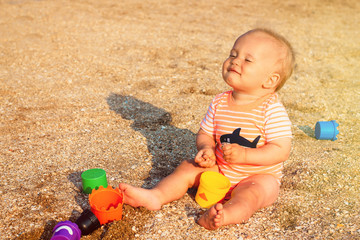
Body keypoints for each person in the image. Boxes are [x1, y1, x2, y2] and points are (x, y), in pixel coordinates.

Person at [119, 28, 295, 230]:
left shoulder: (271, 110)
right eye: (233, 54)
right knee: (186, 168)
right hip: (219, 168)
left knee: (253, 195)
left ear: (270, 80)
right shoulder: (220, 102)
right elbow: (206, 134)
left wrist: (245, 155)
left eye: (248, 60)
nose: (235, 61)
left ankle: (224, 215)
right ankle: (155, 196)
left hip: (257, 177)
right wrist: (207, 149)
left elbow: (281, 150)